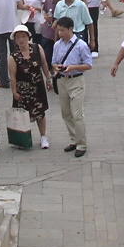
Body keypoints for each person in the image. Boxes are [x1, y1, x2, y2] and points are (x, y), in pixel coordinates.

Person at [51, 16, 93, 157]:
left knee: (77, 114)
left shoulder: (81, 45)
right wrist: (57, 68)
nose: (60, 33)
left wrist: (73, 67)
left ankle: (82, 144)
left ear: (70, 29)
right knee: (66, 113)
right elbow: (54, 62)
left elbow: (88, 65)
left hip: (76, 80)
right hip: (62, 80)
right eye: (58, 31)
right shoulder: (57, 45)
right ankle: (73, 139)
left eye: (62, 30)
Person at [8, 24, 53, 149]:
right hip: (22, 89)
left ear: (28, 37)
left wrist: (48, 78)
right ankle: (23, 139)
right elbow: (12, 76)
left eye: (23, 36)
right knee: (22, 115)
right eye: (18, 37)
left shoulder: (37, 48)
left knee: (40, 113)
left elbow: (44, 63)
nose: (21, 40)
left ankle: (43, 136)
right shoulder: (13, 57)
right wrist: (14, 91)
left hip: (37, 86)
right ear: (15, 40)